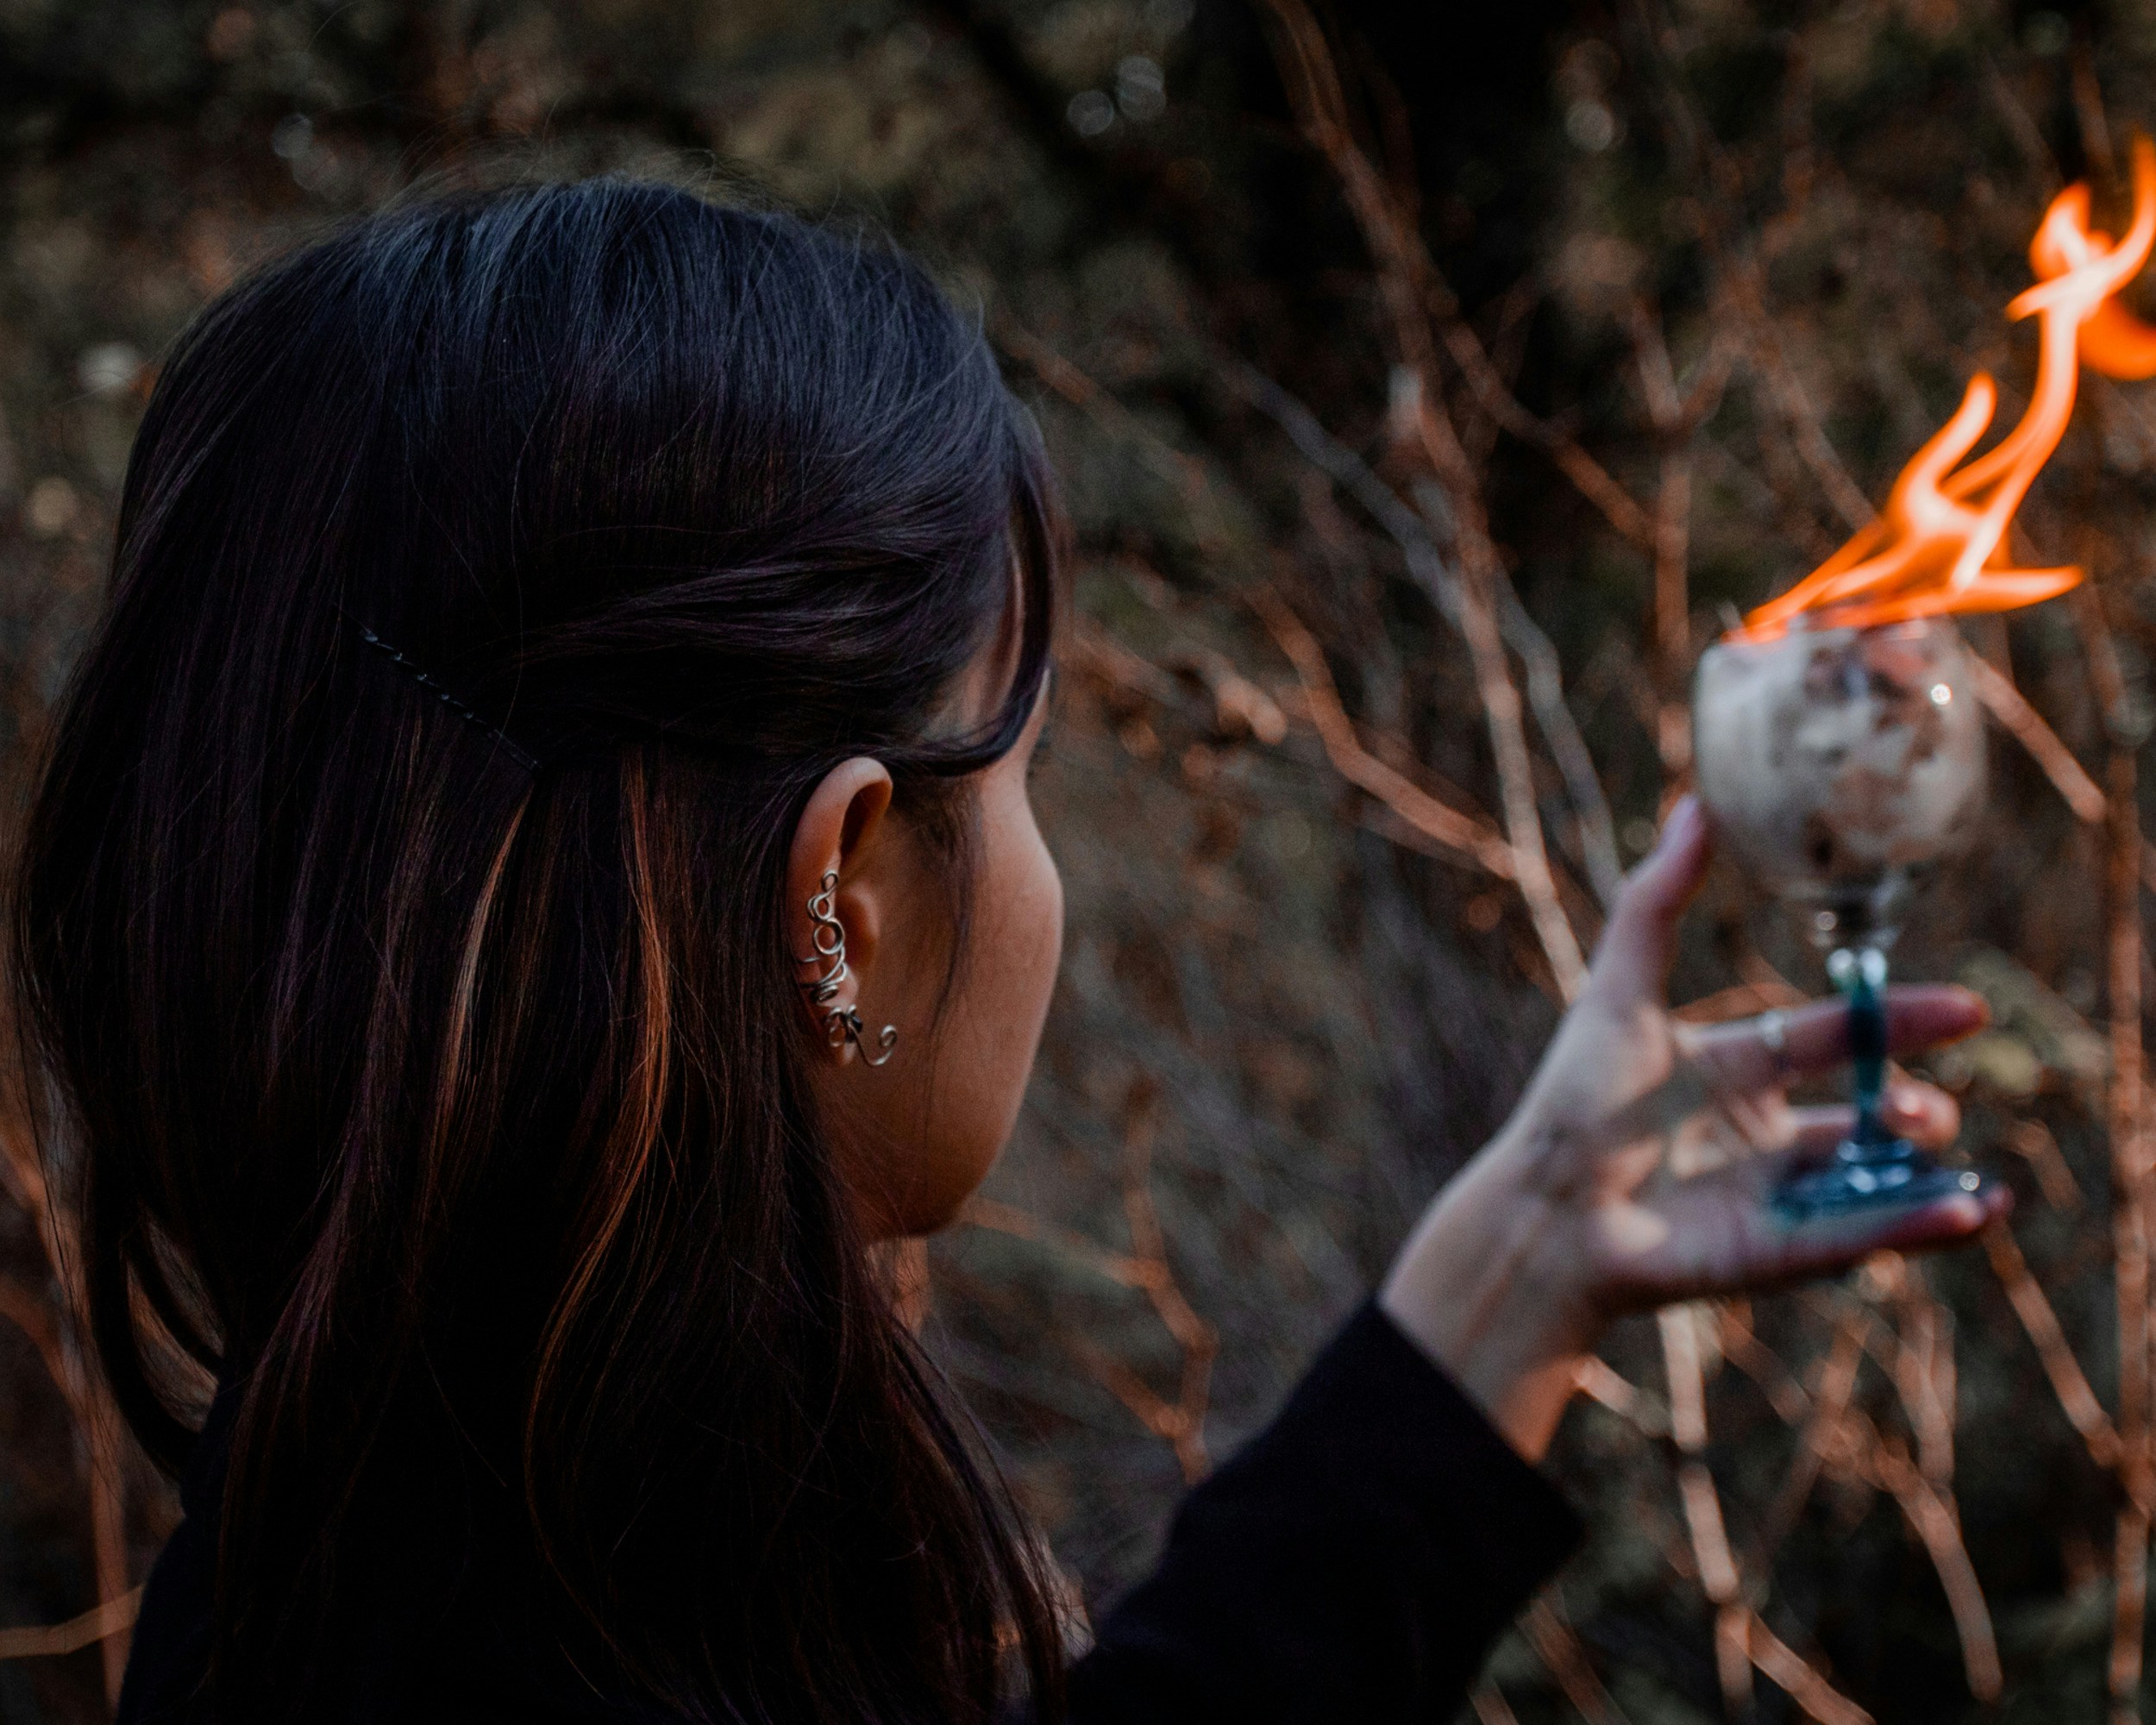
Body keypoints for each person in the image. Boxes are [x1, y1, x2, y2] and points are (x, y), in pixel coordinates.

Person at [15, 179, 2002, 1724]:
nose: (1052, 883)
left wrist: (1516, 1269)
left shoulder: (392, 1559)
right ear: (846, 888)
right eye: (1026, 776)